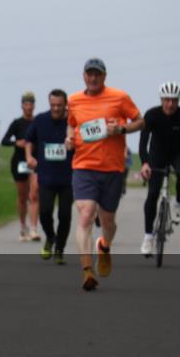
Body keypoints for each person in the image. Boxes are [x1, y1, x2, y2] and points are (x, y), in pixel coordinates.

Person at [65, 58, 144, 292]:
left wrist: (121, 129)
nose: (93, 78)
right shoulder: (74, 100)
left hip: (112, 169)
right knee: (87, 215)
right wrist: (69, 138)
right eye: (89, 74)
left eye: (97, 74)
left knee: (108, 221)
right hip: (83, 166)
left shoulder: (119, 97)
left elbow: (141, 121)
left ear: (104, 76)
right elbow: (71, 124)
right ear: (83, 76)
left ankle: (105, 245)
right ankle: (87, 269)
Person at [138, 81, 180, 256]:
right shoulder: (152, 115)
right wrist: (145, 163)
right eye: (167, 100)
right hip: (158, 154)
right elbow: (143, 142)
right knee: (153, 194)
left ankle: (178, 203)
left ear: (178, 101)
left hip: (178, 153)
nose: (170, 104)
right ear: (161, 99)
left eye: (174, 100)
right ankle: (148, 237)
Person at [25, 89, 74, 264]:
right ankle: (51, 237)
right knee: (45, 212)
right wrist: (29, 156)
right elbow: (29, 140)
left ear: (65, 105)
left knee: (65, 215)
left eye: (59, 106)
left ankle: (59, 249)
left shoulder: (72, 121)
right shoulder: (40, 120)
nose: (56, 109)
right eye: (53, 105)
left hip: (68, 177)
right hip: (45, 176)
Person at [2, 92, 40, 242]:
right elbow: (4, 140)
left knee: (34, 194)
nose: (29, 107)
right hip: (19, 162)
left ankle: (34, 229)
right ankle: (23, 226)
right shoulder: (17, 123)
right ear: (22, 106)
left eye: (31, 104)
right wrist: (16, 143)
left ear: (34, 106)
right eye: (26, 104)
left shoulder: (38, 122)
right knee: (22, 196)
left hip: (35, 161)